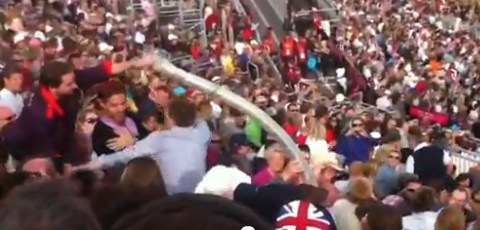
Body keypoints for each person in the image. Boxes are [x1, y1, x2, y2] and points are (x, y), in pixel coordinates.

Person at [75, 97, 211, 194]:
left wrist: (83, 168)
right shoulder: (202, 135)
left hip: (171, 201)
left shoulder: (160, 139)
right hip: (199, 198)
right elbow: (200, 120)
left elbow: (122, 156)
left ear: (170, 117)